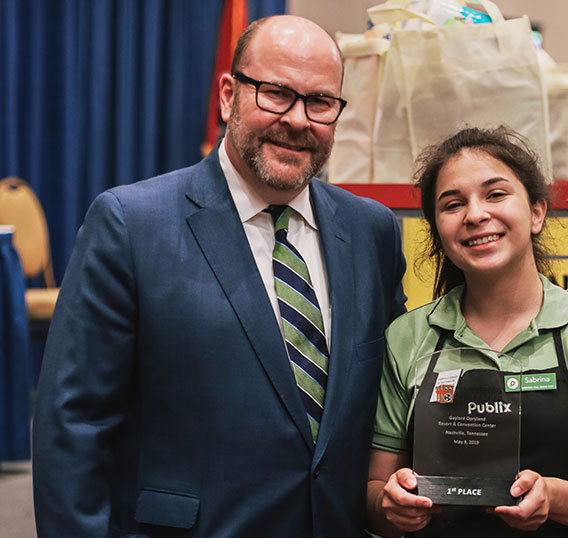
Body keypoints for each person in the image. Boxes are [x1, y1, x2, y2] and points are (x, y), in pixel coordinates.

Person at [32, 15, 406, 538]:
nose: (298, 120)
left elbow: (393, 400)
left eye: (320, 101)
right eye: (275, 93)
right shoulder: (131, 224)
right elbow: (74, 427)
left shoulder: (373, 232)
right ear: (228, 95)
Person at [366, 126, 568, 538]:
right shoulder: (406, 339)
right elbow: (373, 494)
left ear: (537, 212)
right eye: (453, 204)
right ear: (438, 230)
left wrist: (553, 496)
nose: (475, 214)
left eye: (495, 194)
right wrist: (388, 505)